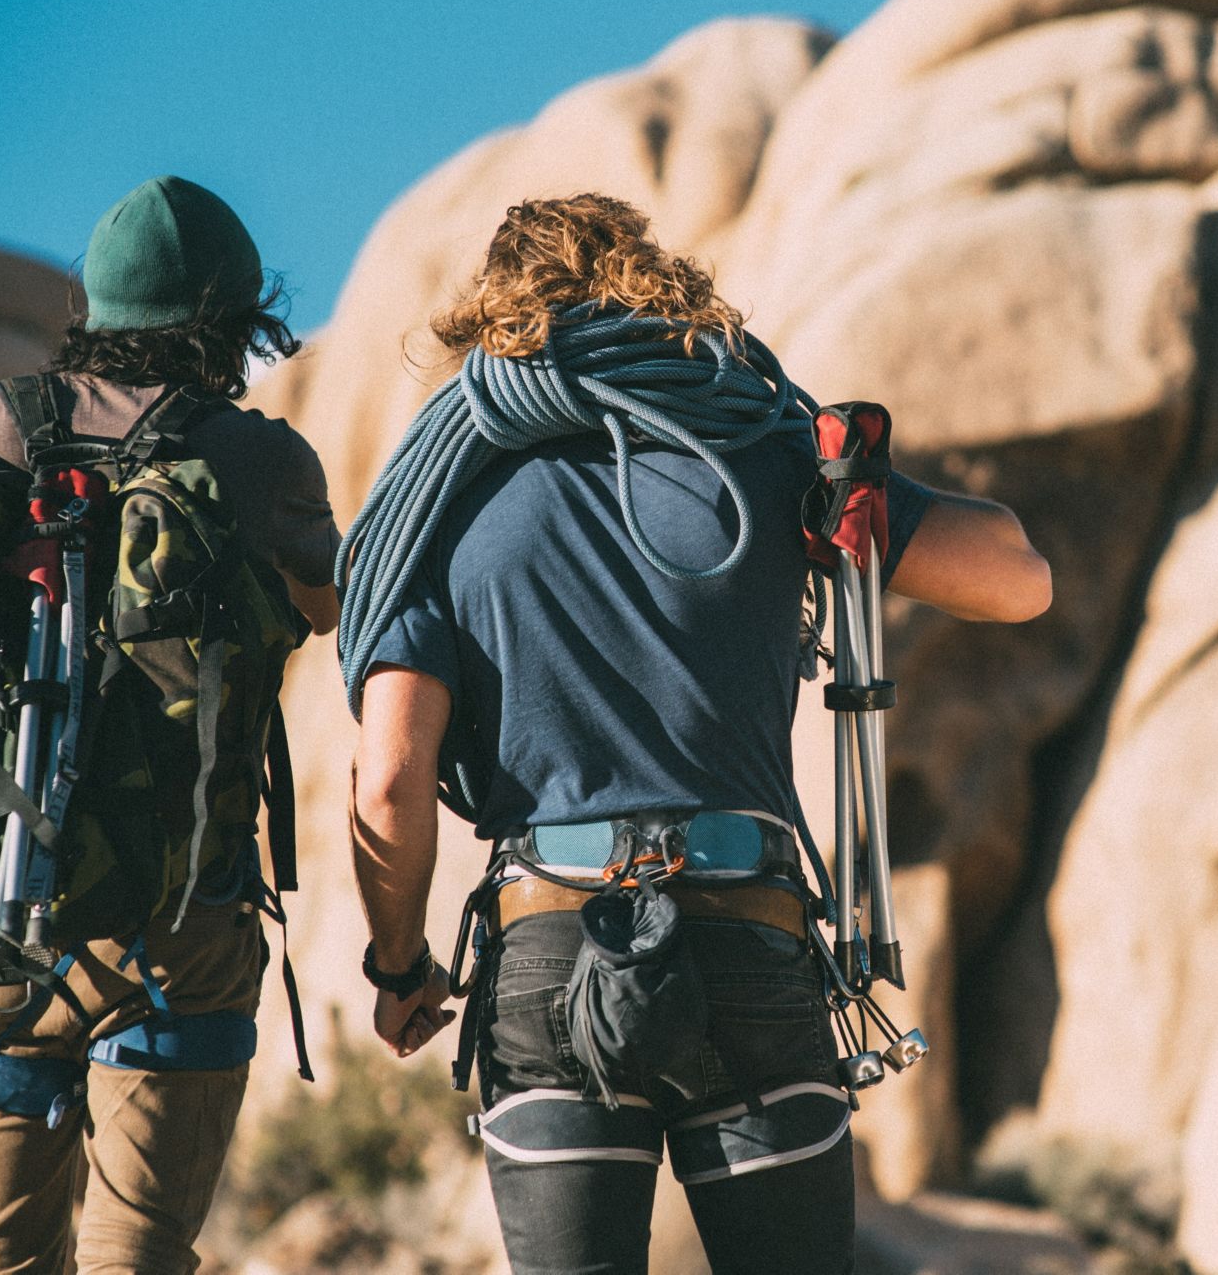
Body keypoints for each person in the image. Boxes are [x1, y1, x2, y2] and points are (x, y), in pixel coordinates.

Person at [347, 194, 1050, 1274]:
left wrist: (400, 966)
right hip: (749, 935)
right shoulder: (759, 443)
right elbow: (1017, 582)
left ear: (490, 315)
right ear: (652, 282)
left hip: (544, 945)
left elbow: (390, 781)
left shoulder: (436, 503)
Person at [0, 175, 341, 1274]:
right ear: (232, 320)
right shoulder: (257, 459)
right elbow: (337, 612)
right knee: (134, 1256)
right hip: (178, 929)